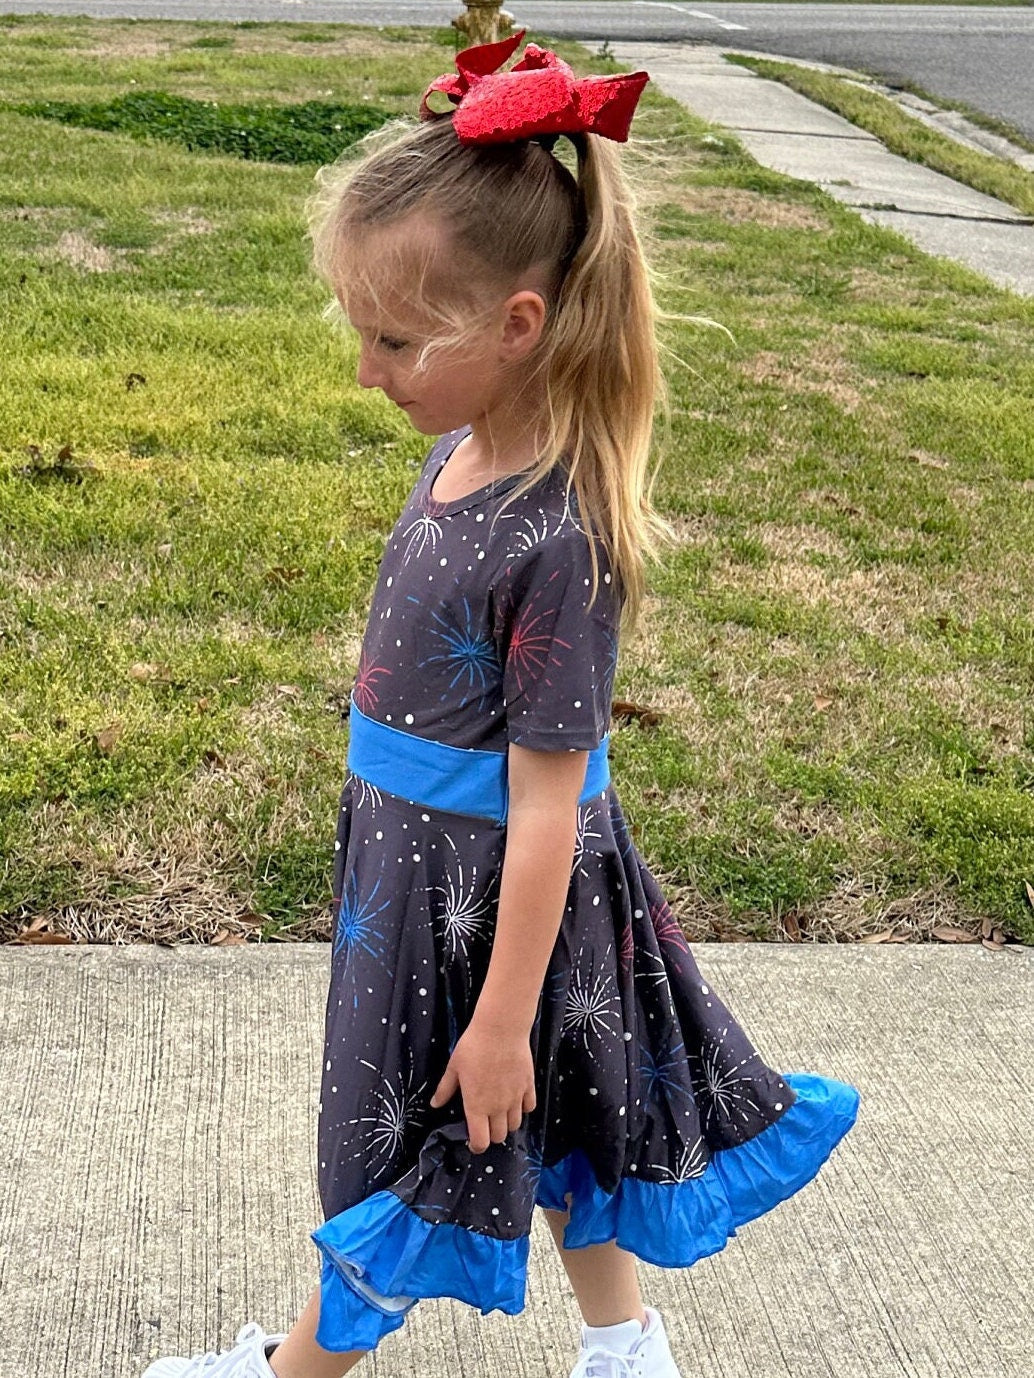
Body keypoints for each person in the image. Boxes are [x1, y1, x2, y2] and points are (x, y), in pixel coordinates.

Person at [142, 31, 860, 1378]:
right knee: (564, 1118)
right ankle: (625, 1339)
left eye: (395, 338)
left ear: (516, 324)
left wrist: (492, 1013)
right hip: (416, 878)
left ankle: (295, 1374)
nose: (368, 370)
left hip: (491, 910)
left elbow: (545, 807)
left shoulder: (558, 539)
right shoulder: (459, 453)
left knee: (401, 1144)